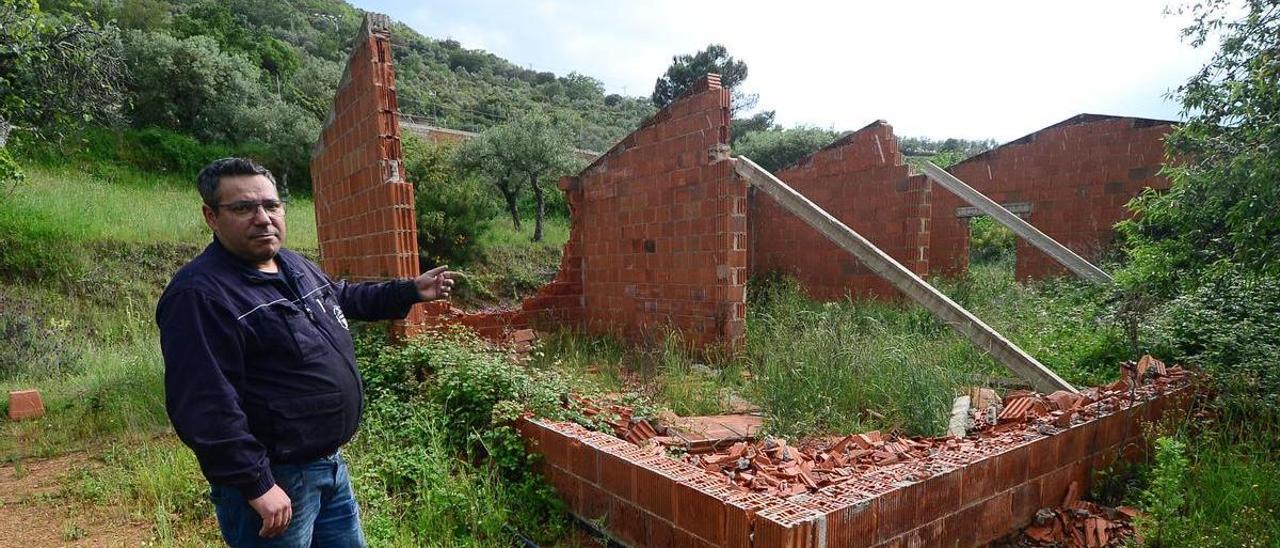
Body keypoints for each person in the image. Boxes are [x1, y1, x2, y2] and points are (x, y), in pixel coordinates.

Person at [156, 157, 456, 546]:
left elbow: (341, 296)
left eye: (271, 205)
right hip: (276, 481)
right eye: (244, 208)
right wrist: (257, 483)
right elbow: (204, 405)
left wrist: (410, 291)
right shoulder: (200, 296)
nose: (263, 218)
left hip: (329, 468)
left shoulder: (291, 263)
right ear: (211, 216)